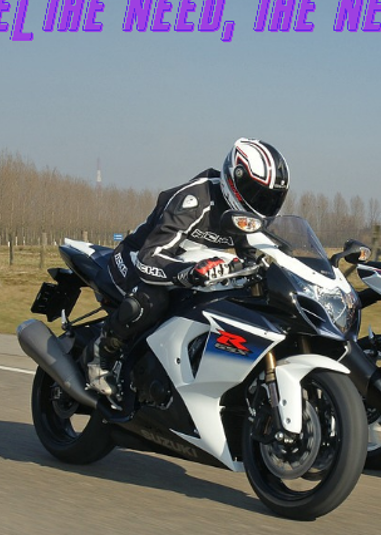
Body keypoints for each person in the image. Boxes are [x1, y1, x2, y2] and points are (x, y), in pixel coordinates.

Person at [86, 138, 290, 405]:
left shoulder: (245, 216)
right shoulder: (195, 200)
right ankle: (101, 353)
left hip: (186, 265)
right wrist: (187, 273)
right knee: (153, 300)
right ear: (234, 179)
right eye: (258, 194)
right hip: (137, 258)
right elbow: (149, 259)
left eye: (271, 199)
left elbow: (256, 255)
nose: (262, 204)